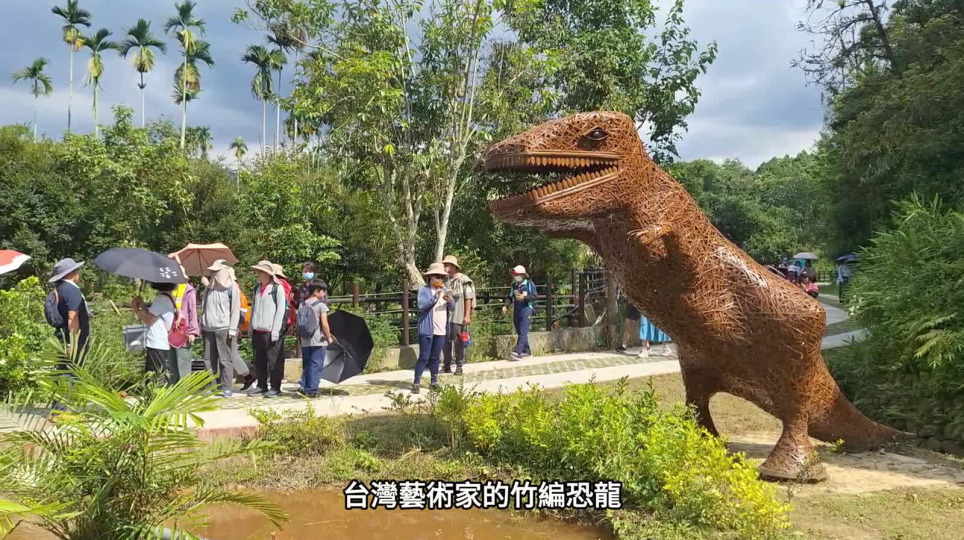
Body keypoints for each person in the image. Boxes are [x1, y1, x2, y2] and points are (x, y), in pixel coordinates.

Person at [201, 260, 253, 398]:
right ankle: (210, 386)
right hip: (208, 328)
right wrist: (202, 323)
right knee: (208, 360)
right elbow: (205, 307)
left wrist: (232, 329)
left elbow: (236, 310)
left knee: (225, 360)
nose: (213, 274)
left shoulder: (232, 289)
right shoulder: (209, 289)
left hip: (224, 328)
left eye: (216, 272)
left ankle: (227, 387)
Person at [247, 260, 288, 398]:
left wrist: (276, 330)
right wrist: (251, 326)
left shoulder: (277, 288)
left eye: (260, 272)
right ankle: (261, 385)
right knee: (259, 361)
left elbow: (281, 310)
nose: (258, 274)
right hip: (257, 330)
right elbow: (254, 308)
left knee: (274, 361)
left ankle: (275, 387)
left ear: (268, 274)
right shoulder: (256, 288)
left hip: (271, 331)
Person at [413, 262, 454, 394]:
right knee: (424, 356)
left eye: (441, 277)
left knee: (436, 357)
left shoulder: (445, 290)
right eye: (437, 276)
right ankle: (416, 382)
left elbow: (452, 307)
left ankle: (434, 381)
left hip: (440, 329)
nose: (439, 279)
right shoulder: (424, 290)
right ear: (430, 277)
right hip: (426, 329)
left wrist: (449, 300)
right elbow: (421, 306)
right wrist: (434, 298)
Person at [131, 282, 177, 382]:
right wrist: (142, 305)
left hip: (157, 341)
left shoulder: (161, 299)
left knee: (154, 375)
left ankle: (154, 391)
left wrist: (135, 308)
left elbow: (148, 319)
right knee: (156, 372)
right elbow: (153, 314)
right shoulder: (168, 296)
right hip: (160, 341)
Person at [298, 279, 335, 398]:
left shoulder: (302, 304)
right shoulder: (321, 306)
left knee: (307, 364)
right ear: (316, 291)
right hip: (318, 339)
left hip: (305, 340)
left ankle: (304, 386)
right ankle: (312, 390)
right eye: (323, 291)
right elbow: (324, 324)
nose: (324, 294)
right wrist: (329, 337)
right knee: (316, 364)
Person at [48, 258, 90, 358]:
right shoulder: (71, 289)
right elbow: (72, 317)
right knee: (73, 366)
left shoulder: (61, 288)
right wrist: (73, 343)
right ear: (72, 272)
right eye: (77, 269)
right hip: (72, 340)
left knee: (63, 366)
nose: (78, 272)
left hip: (63, 337)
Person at [441, 255, 474, 376]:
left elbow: (468, 298)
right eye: (444, 264)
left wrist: (467, 315)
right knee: (445, 342)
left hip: (458, 316)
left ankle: (459, 365)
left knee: (458, 341)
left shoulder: (464, 280)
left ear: (454, 266)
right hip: (445, 317)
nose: (445, 267)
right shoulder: (444, 281)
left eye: (447, 264)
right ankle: (447, 365)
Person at [167, 266, 201, 384]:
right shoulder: (170, 290)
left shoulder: (189, 290)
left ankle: (184, 389)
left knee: (183, 364)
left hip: (184, 332)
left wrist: (193, 332)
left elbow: (193, 311)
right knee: (172, 364)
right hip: (170, 331)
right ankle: (173, 388)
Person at [505, 265, 537, 360]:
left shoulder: (529, 284)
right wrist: (505, 305)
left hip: (526, 310)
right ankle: (527, 352)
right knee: (520, 332)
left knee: (523, 331)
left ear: (522, 275)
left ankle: (517, 351)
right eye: (514, 275)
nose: (515, 276)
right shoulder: (514, 285)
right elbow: (510, 297)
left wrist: (525, 298)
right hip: (517, 311)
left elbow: (535, 296)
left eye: (517, 275)